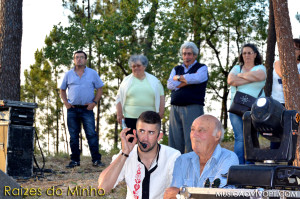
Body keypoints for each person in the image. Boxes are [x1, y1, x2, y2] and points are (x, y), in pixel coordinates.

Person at [98, 111, 181, 199]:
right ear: (135, 133)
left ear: (159, 136)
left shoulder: (173, 156)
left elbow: (178, 191)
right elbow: (103, 188)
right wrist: (124, 153)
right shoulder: (126, 154)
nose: (145, 138)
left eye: (151, 132)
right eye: (141, 131)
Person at [163, 115, 239, 199]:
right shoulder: (182, 160)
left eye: (201, 130)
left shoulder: (228, 158)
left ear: (217, 135)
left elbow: (218, 195)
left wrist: (182, 194)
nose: (194, 135)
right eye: (192, 130)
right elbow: (171, 195)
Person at [60, 50, 105, 168]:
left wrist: (94, 102)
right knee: (73, 136)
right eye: (77, 57)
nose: (79, 59)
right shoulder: (68, 74)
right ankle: (75, 161)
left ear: (85, 60)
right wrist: (65, 102)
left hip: (87, 110)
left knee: (91, 134)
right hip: (72, 110)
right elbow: (62, 90)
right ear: (74, 60)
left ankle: (96, 160)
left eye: (81, 57)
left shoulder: (92, 73)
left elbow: (100, 88)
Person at [227, 43, 266, 164]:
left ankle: (250, 167)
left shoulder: (260, 67)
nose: (247, 55)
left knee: (252, 137)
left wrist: (240, 76)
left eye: (249, 52)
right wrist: (250, 78)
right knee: (239, 138)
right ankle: (238, 167)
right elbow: (231, 80)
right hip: (236, 108)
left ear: (255, 54)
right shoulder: (236, 67)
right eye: (244, 53)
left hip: (255, 109)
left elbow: (261, 76)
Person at [167, 41, 208, 154]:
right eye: (184, 54)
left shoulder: (202, 68)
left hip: (193, 108)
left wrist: (178, 79)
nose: (186, 56)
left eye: (189, 54)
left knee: (193, 139)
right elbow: (170, 84)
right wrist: (187, 80)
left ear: (195, 55)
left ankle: (194, 168)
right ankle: (175, 167)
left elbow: (198, 78)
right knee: (174, 141)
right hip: (175, 108)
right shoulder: (176, 68)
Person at [116, 54, 165, 140]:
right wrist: (119, 114)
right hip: (130, 118)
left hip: (149, 118)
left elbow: (161, 97)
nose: (136, 68)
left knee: (147, 142)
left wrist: (160, 113)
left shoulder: (154, 81)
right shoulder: (126, 81)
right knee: (130, 142)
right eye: (133, 66)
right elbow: (119, 98)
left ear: (144, 66)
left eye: (138, 65)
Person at [271, 38, 300, 106]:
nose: (292, 50)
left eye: (295, 48)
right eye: (290, 47)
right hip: (276, 103)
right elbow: (284, 75)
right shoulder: (278, 63)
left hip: (295, 103)